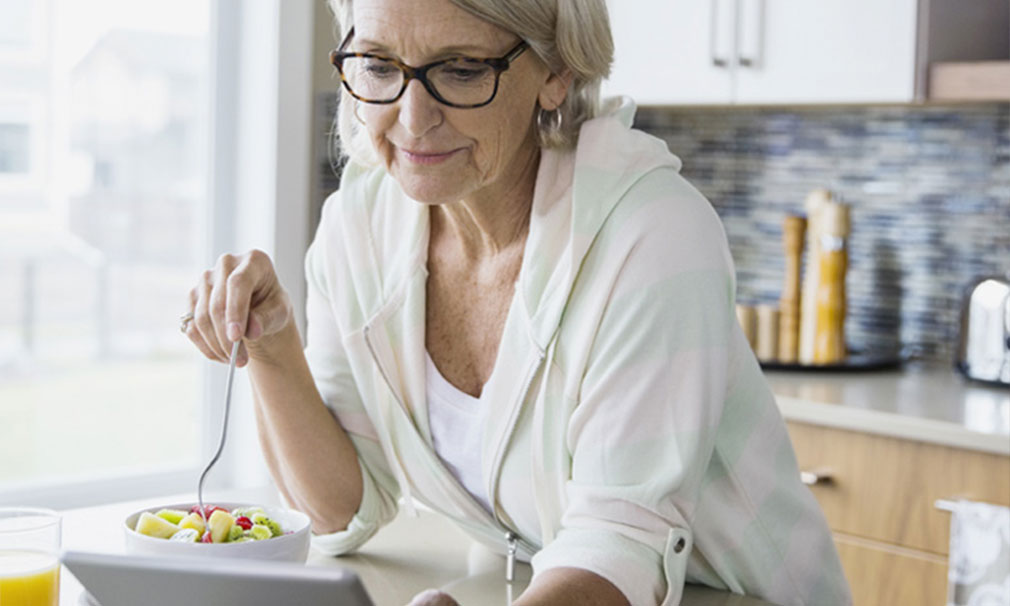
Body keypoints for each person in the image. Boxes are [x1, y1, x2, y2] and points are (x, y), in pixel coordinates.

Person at [181, 0, 852, 604]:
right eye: (380, 66)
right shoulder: (360, 226)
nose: (412, 119)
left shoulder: (651, 234)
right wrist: (271, 347)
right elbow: (343, 507)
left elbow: (618, 547)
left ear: (556, 70)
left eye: (463, 70)